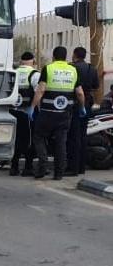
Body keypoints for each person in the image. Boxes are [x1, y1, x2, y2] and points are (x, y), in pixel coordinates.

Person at [31, 46, 86, 180]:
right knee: (61, 142)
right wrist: (82, 107)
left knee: (38, 136)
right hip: (65, 113)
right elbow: (79, 92)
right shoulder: (73, 70)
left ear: (53, 57)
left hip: (47, 112)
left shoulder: (48, 68)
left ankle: (43, 163)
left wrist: (32, 107)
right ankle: (59, 173)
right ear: (66, 56)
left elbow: (41, 90)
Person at [66, 47, 99, 176]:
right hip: (87, 102)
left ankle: (72, 167)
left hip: (74, 102)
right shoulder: (92, 68)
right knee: (83, 135)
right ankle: (81, 167)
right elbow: (96, 86)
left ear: (74, 55)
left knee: (72, 136)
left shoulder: (71, 67)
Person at [9, 52, 40, 176]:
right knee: (29, 139)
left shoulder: (14, 72)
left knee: (15, 139)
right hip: (28, 113)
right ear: (33, 61)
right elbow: (39, 93)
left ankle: (14, 166)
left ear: (21, 61)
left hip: (13, 111)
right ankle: (28, 167)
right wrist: (34, 108)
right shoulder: (34, 74)